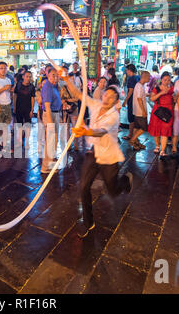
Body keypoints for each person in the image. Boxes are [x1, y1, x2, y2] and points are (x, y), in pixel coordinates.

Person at [62, 72, 133, 238]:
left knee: (113, 191)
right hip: (92, 153)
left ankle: (125, 180)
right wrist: (65, 78)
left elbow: (101, 132)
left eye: (112, 96)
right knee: (83, 187)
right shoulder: (94, 104)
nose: (107, 97)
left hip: (108, 156)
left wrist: (86, 131)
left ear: (116, 101)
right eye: (106, 93)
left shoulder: (114, 116)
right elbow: (79, 94)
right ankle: (88, 223)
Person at [148, 72, 174, 158]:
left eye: (169, 80)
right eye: (165, 80)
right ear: (161, 80)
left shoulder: (172, 89)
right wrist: (161, 93)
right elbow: (152, 98)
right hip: (158, 111)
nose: (167, 82)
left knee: (165, 131)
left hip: (168, 112)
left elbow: (174, 99)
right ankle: (157, 146)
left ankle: (162, 150)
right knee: (157, 131)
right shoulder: (156, 89)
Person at [40, 68, 61, 174]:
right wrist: (50, 123)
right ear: (48, 75)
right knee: (51, 141)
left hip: (55, 113)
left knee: (54, 141)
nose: (55, 77)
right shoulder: (47, 87)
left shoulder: (55, 85)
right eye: (53, 75)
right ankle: (45, 167)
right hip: (50, 115)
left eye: (57, 75)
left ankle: (51, 163)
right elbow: (47, 107)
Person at [0, 62, 14, 156]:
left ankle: (4, 146)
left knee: (5, 127)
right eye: (1, 68)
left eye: (5, 68)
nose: (3, 70)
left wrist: (10, 91)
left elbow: (9, 92)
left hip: (7, 104)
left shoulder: (8, 79)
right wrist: (4, 88)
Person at [14, 70, 36, 150]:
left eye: (29, 76)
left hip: (28, 108)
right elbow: (15, 95)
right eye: (27, 76)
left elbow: (33, 98)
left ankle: (26, 141)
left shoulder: (32, 87)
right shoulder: (18, 84)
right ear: (23, 77)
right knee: (19, 125)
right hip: (19, 107)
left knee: (27, 125)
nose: (28, 78)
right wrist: (15, 106)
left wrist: (32, 110)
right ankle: (19, 141)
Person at [129, 71, 151, 150]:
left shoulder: (140, 86)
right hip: (140, 111)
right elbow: (139, 99)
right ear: (144, 77)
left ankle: (136, 142)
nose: (149, 79)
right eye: (148, 77)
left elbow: (140, 96)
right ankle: (132, 140)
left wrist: (148, 94)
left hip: (137, 111)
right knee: (144, 128)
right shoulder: (139, 86)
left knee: (137, 127)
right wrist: (143, 111)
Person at [61, 68, 80, 151]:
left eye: (72, 80)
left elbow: (77, 99)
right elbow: (61, 99)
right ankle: (68, 145)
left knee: (75, 127)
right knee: (66, 127)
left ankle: (76, 145)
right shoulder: (63, 88)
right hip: (66, 110)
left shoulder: (76, 89)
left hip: (74, 109)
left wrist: (67, 100)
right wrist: (64, 102)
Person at [122, 64, 140, 140]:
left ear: (129, 70)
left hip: (132, 100)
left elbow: (130, 91)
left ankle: (130, 135)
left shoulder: (131, 78)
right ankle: (135, 135)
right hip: (137, 100)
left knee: (131, 118)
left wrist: (125, 100)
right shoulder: (138, 77)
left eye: (127, 70)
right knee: (135, 117)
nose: (126, 72)